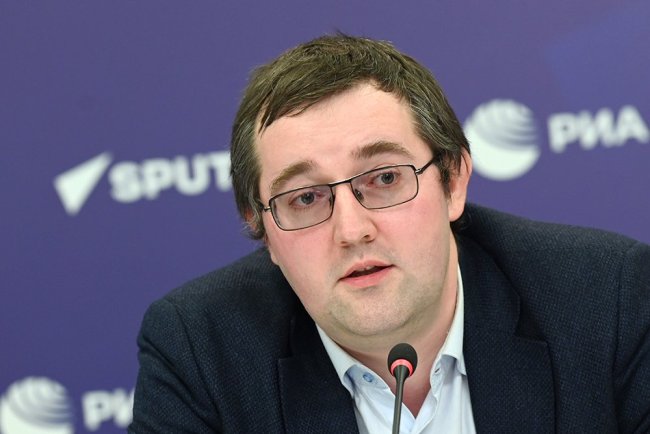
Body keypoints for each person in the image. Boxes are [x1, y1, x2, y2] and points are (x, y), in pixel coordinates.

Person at [129, 34, 650, 433]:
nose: (352, 230)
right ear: (261, 228)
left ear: (452, 182)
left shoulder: (608, 299)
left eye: (383, 179)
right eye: (305, 198)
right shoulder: (202, 351)